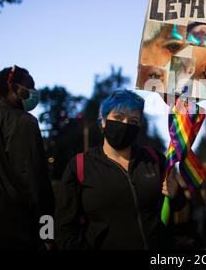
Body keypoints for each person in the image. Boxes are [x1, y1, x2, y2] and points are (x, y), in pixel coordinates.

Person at [54, 90, 185, 250]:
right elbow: (63, 228)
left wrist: (176, 194)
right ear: (103, 120)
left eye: (133, 120)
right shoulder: (80, 166)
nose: (125, 124)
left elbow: (177, 205)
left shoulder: (154, 159)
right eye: (118, 117)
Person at [0, 66, 54, 249]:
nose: (34, 92)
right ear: (13, 87)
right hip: (16, 232)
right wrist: (47, 233)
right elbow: (35, 181)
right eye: (30, 86)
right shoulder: (22, 121)